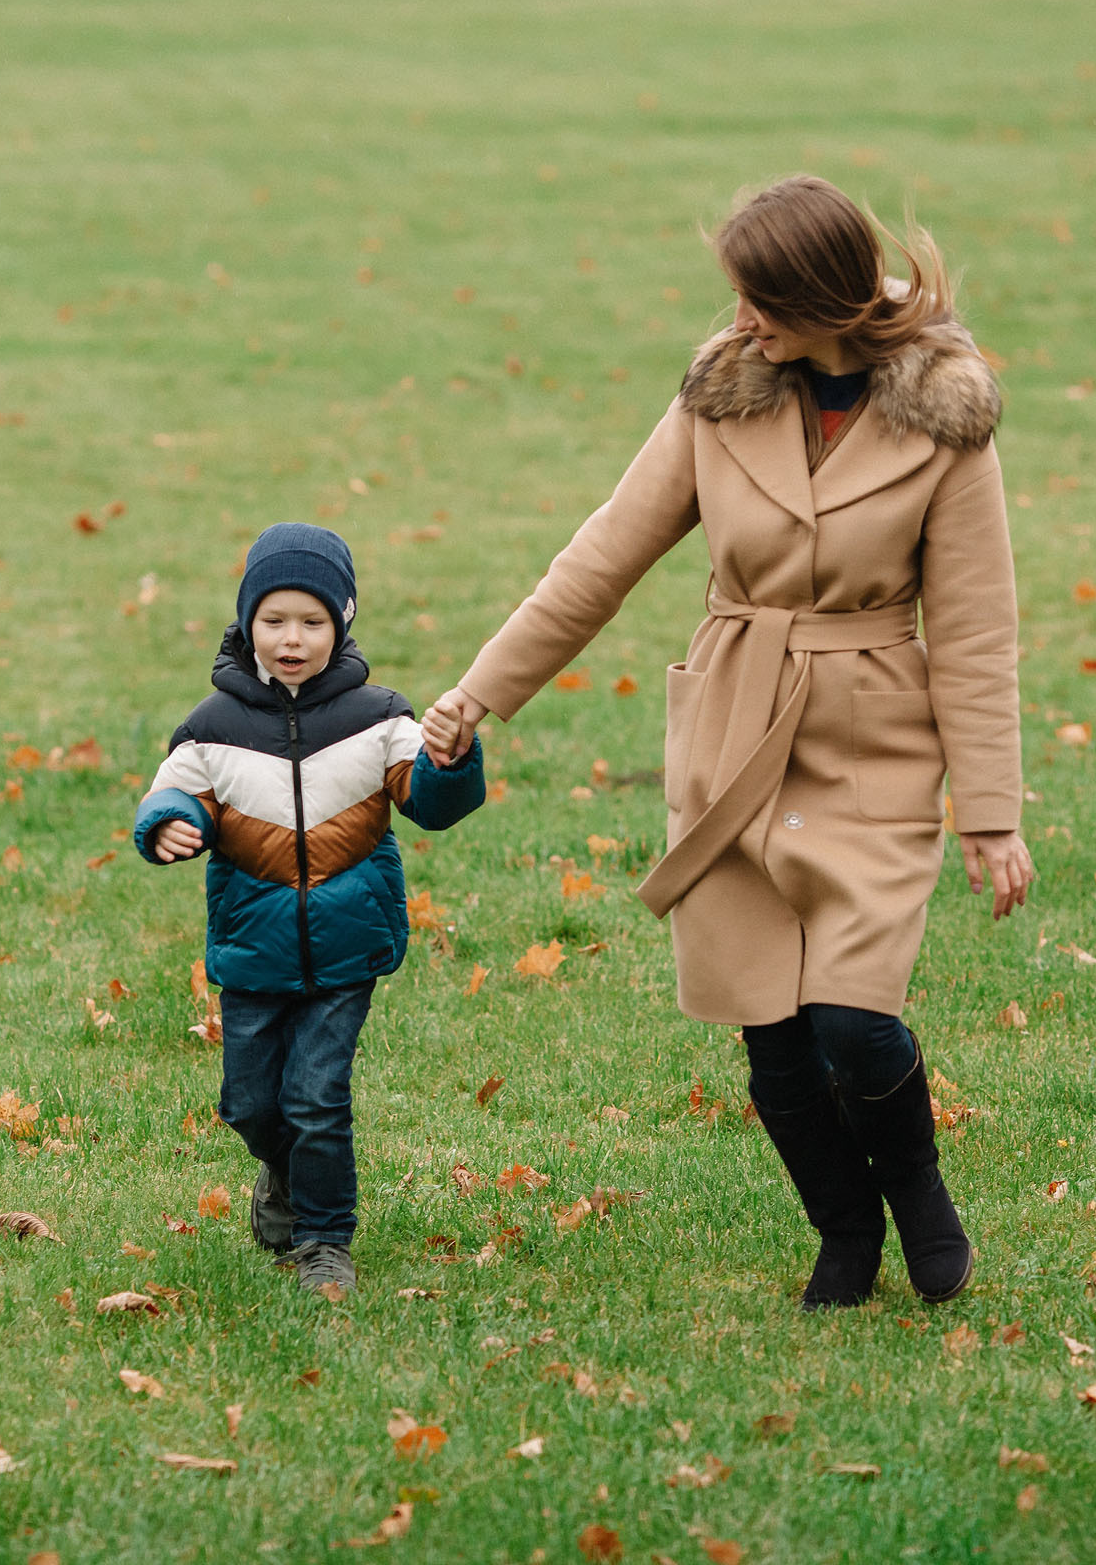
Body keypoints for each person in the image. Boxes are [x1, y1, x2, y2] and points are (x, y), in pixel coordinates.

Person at [421, 176, 1034, 1309]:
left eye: (763, 302)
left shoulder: (948, 422)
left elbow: (977, 628)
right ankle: (843, 1233)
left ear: (826, 299)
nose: (741, 323)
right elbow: (601, 559)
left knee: (853, 1018)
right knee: (771, 1031)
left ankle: (919, 1195)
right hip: (733, 735)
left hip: (872, 741)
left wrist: (991, 814)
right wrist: (476, 695)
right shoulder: (719, 398)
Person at [135, 522, 486, 1297]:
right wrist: (166, 824)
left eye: (312, 621)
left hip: (344, 946)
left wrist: (452, 758)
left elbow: (429, 803)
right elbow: (170, 791)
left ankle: (325, 1242)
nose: (292, 639)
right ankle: (284, 1178)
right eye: (274, 620)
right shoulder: (211, 727)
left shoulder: (380, 718)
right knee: (252, 1103)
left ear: (344, 620)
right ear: (247, 622)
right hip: (253, 948)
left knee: (316, 1097)